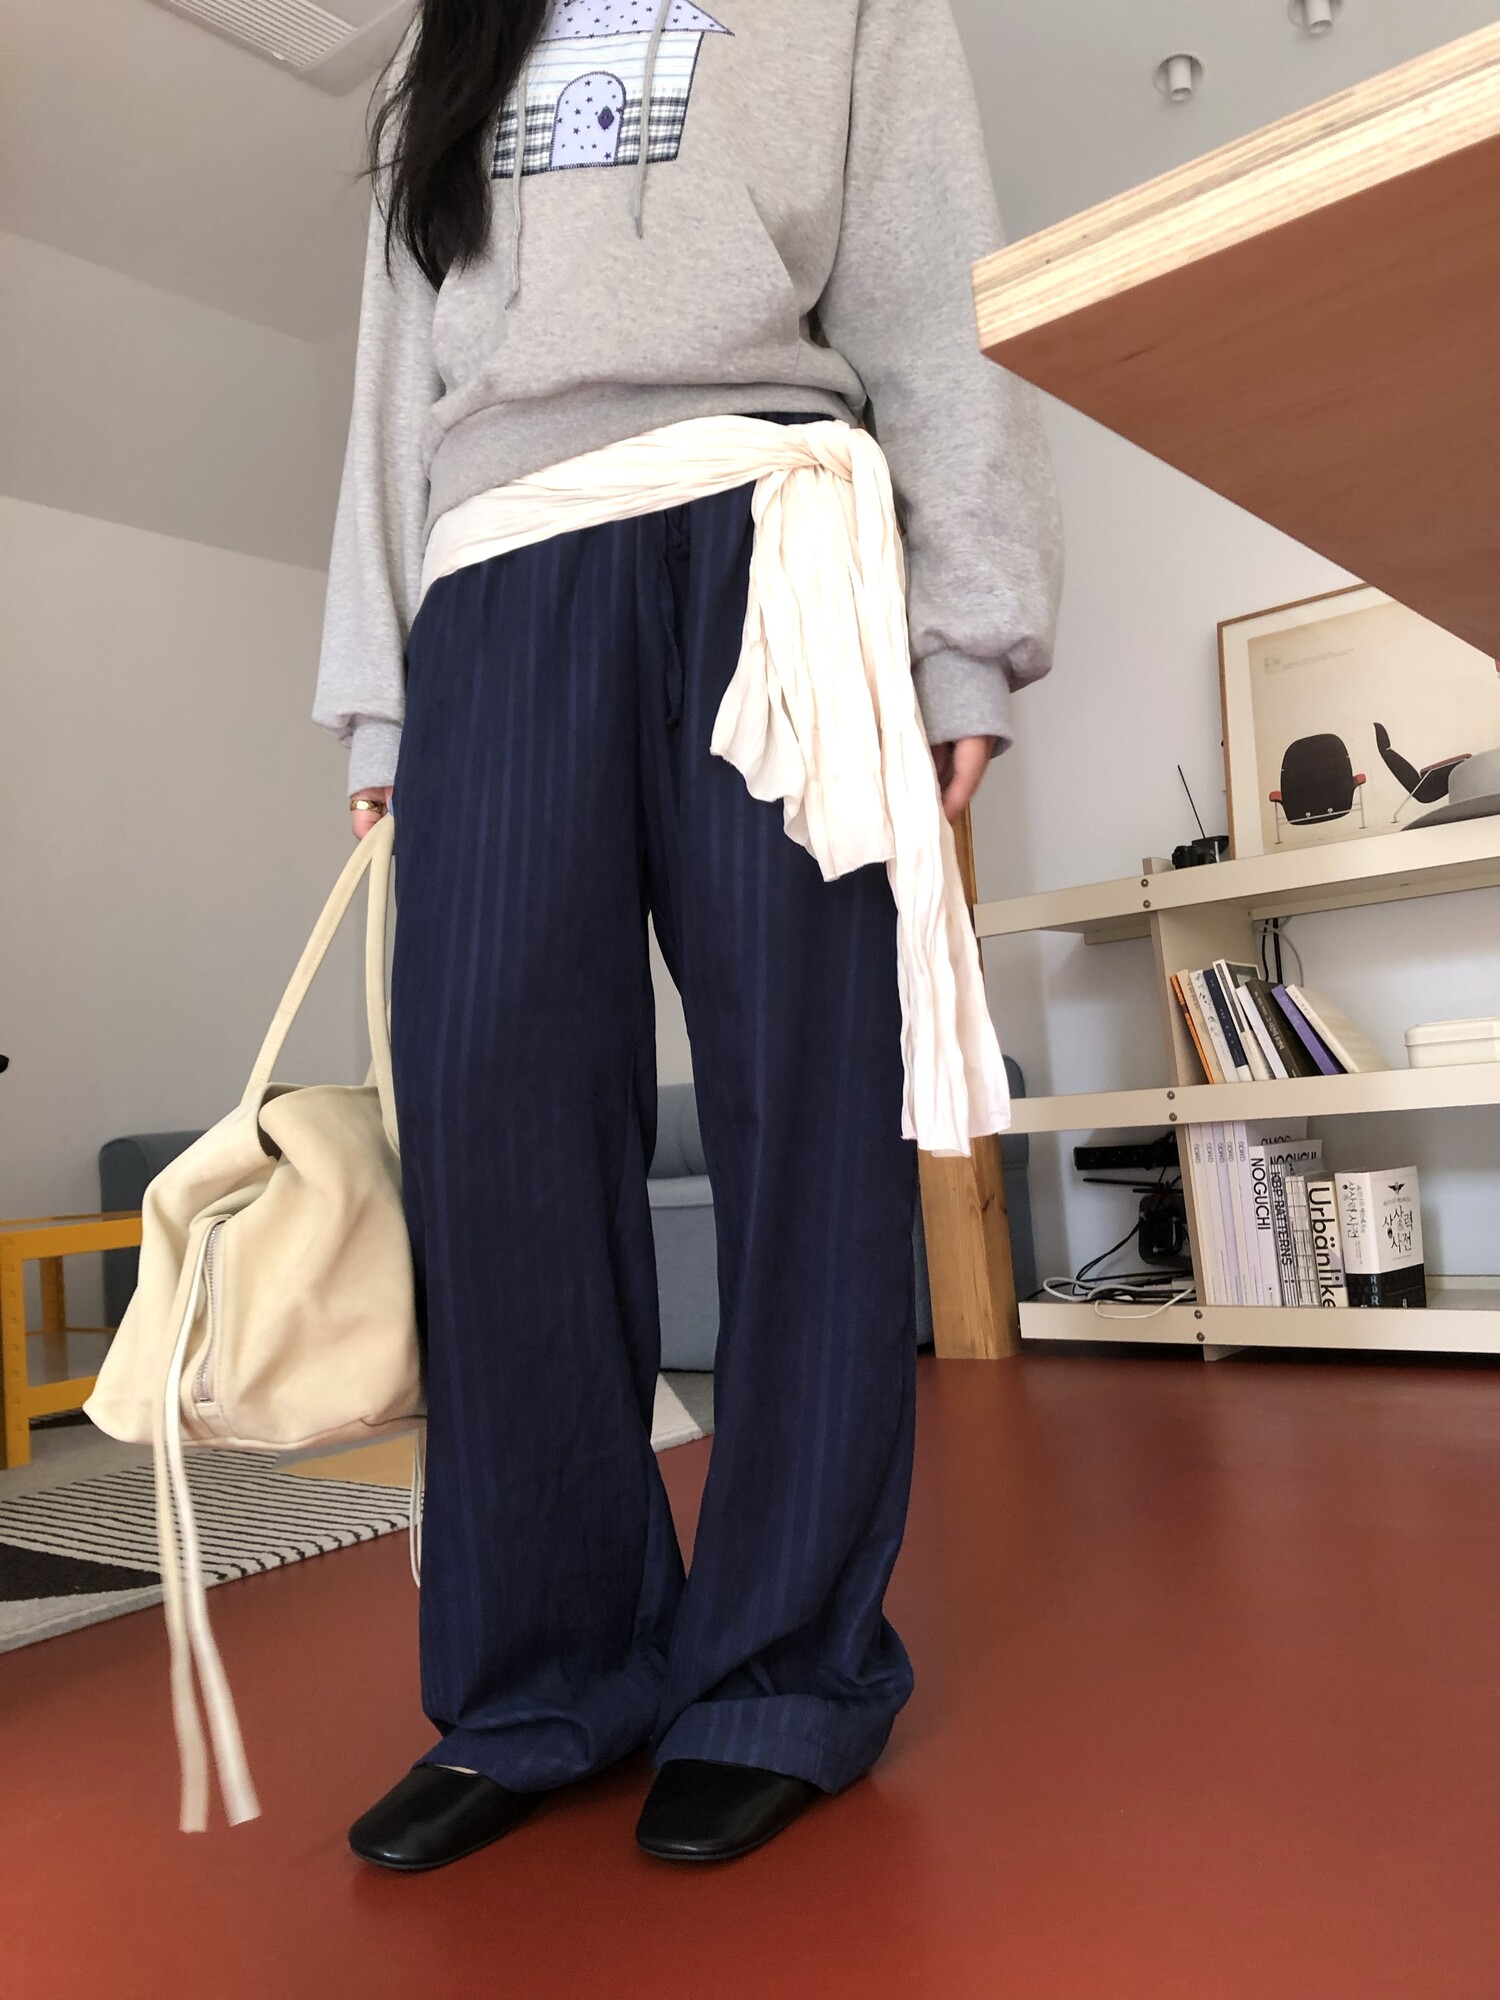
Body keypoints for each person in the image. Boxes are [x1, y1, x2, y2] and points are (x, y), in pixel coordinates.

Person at [315, 0, 1061, 1872]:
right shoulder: (446, 36)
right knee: (488, 1129)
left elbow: (929, 287)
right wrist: (380, 696)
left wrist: (965, 631)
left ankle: (783, 1676)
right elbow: (395, 373)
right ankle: (546, 1678)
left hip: (775, 539)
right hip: (497, 580)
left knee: (810, 1115)